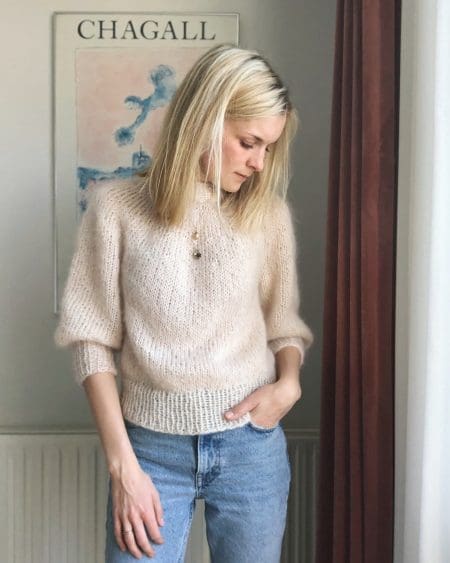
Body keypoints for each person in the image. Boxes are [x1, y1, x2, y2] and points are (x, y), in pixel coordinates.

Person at [54, 43, 314, 563]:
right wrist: (123, 467)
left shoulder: (268, 215)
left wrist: (289, 383)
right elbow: (90, 340)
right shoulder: (115, 208)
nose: (259, 163)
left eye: (267, 148)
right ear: (205, 120)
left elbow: (283, 324)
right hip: (150, 451)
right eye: (248, 143)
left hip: (251, 448)